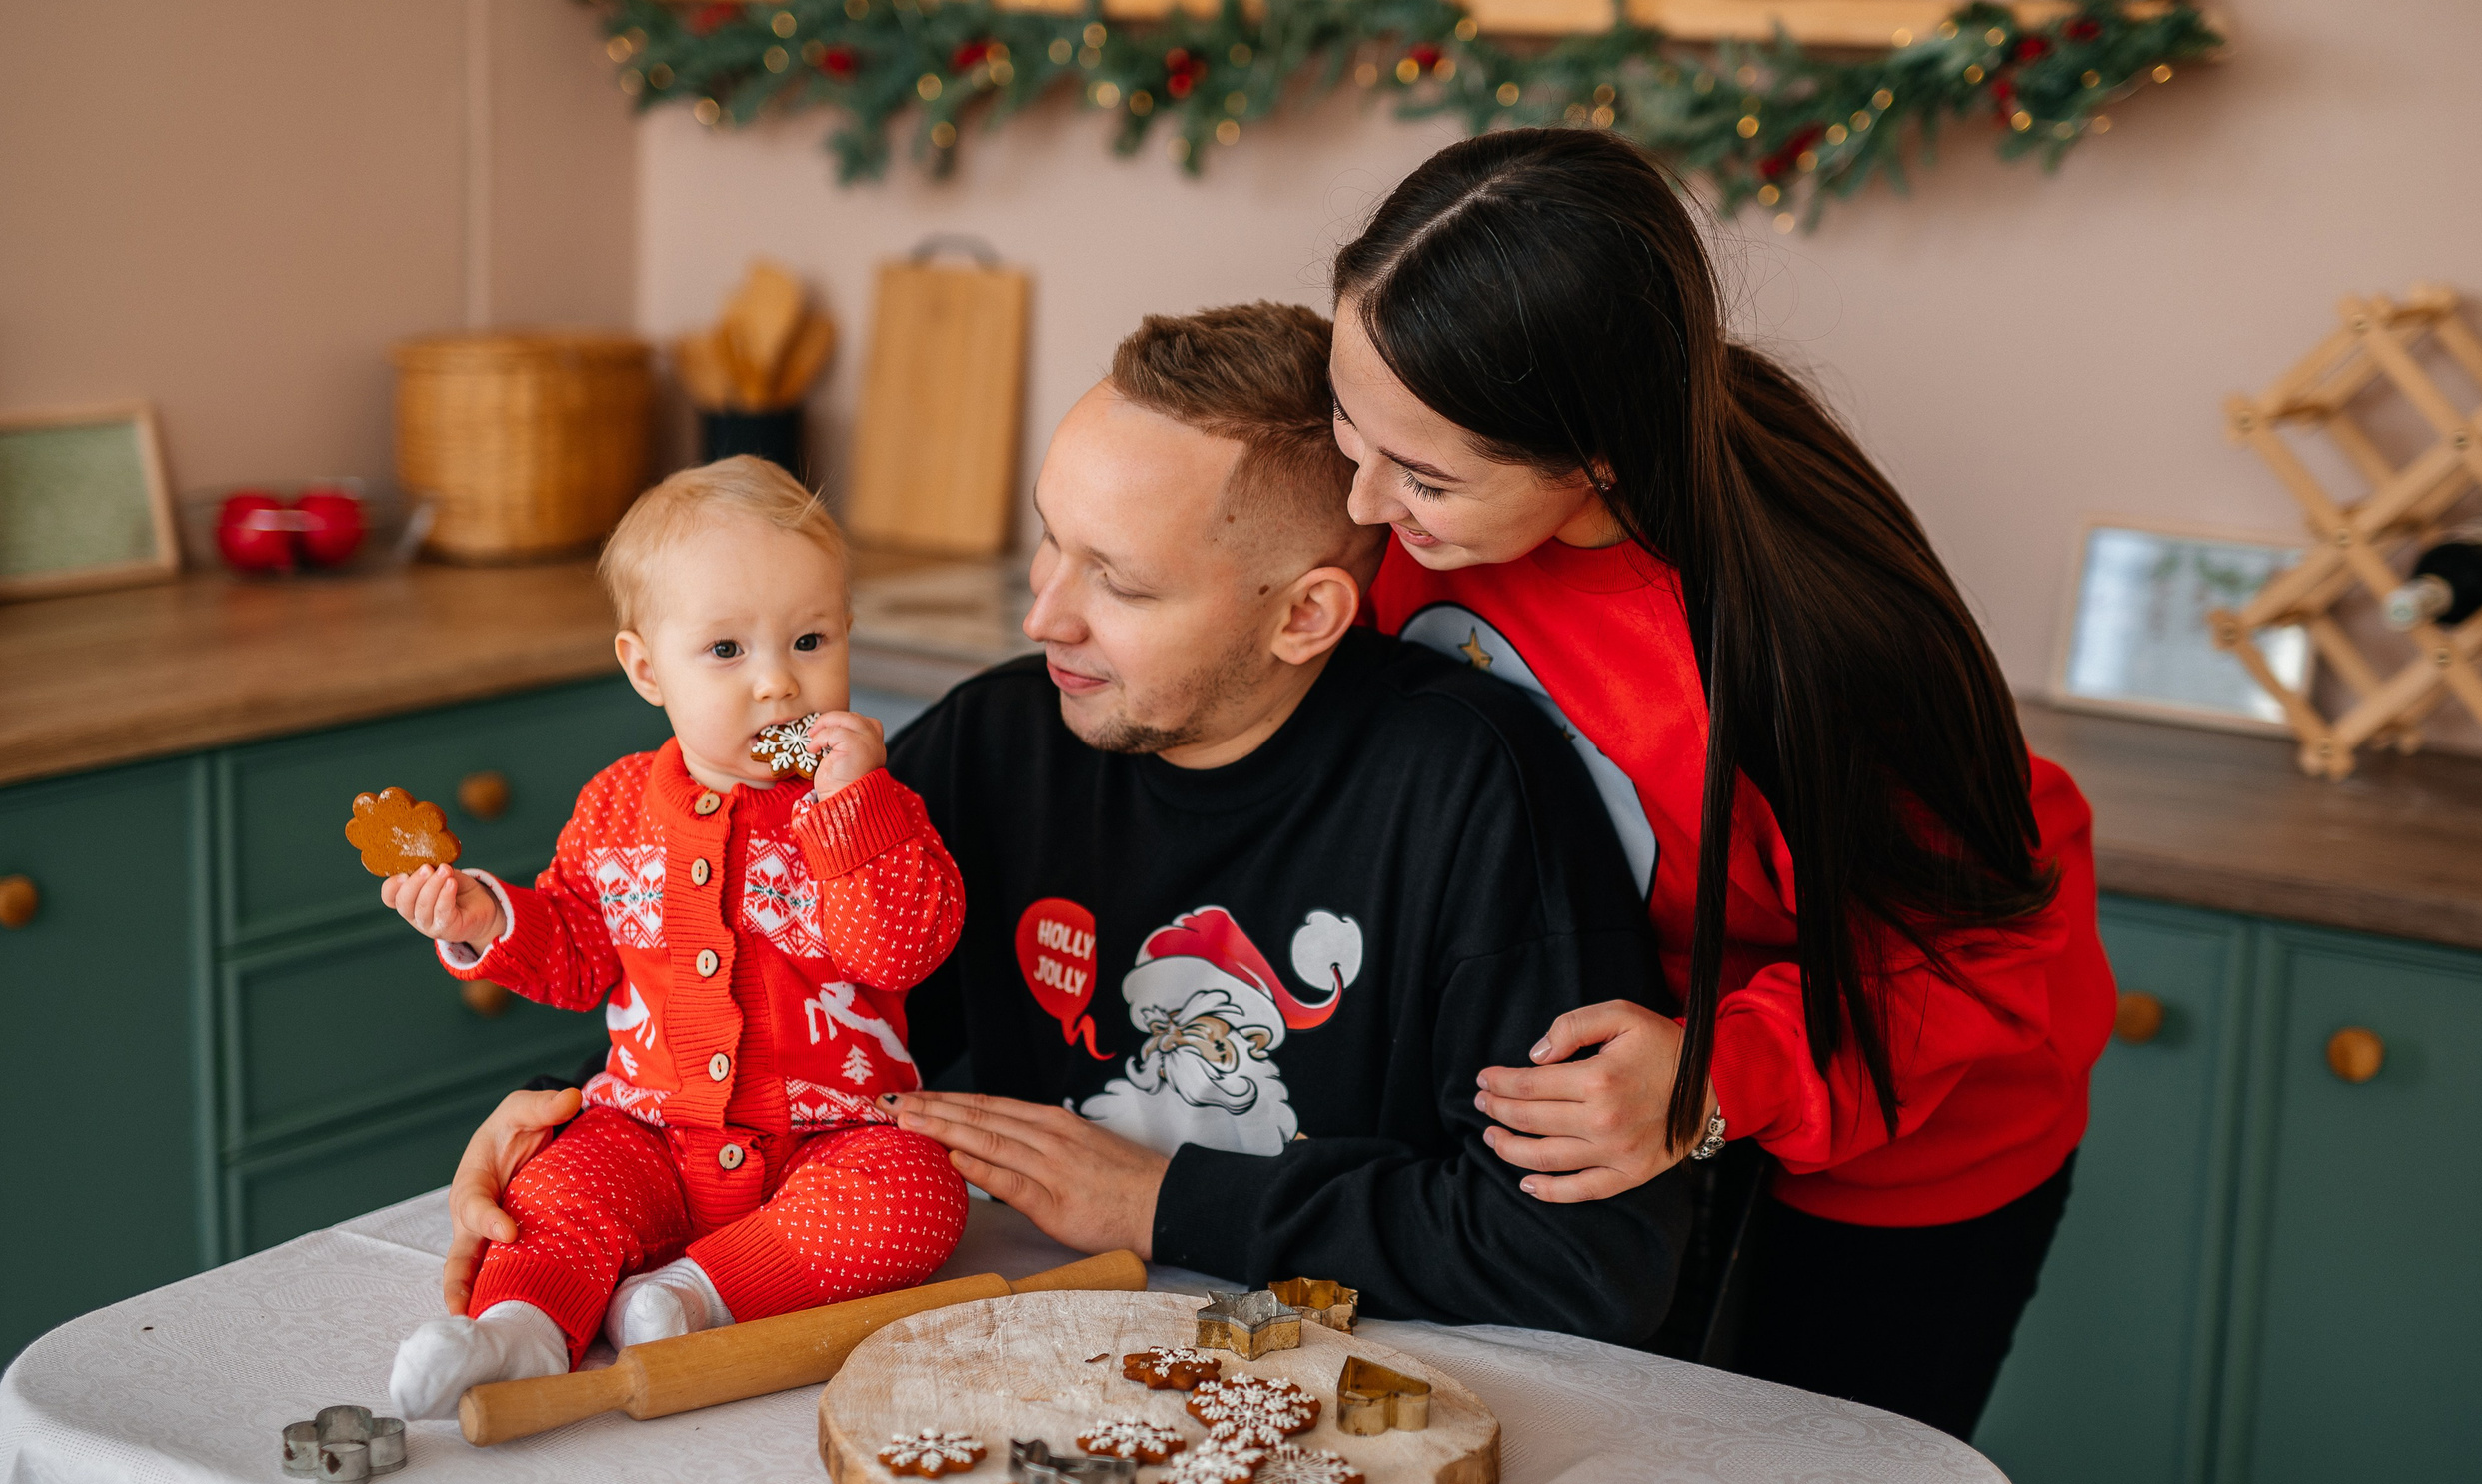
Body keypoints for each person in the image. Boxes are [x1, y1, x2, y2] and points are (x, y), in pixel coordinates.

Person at [444, 301, 1694, 1345]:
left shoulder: (1474, 788)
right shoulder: (997, 739)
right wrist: (584, 1119)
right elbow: (785, 999)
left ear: (1305, 614)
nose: (1044, 614)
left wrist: (1169, 1200)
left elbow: (1579, 1255)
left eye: (1120, 580)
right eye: (1050, 543)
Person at [1328, 128, 2116, 1439]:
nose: (1359, 495)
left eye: (1424, 473)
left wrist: (1716, 1077)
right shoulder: (1421, 498)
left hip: (1898, 1132)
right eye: (1347, 420)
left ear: (1597, 456)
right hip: (1645, 1082)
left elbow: (1992, 948)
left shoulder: (1817, 648)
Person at [375, 457, 971, 1420]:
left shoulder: (875, 809)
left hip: (830, 1138)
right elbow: (576, 954)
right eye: (727, 650)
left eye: (810, 639)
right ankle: (520, 1326)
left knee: (921, 1195)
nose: (779, 683)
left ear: (848, 637)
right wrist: (490, 917)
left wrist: (855, 807)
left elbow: (898, 953)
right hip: (648, 1131)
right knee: (556, 1178)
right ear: (647, 666)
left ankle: (691, 1296)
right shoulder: (612, 807)